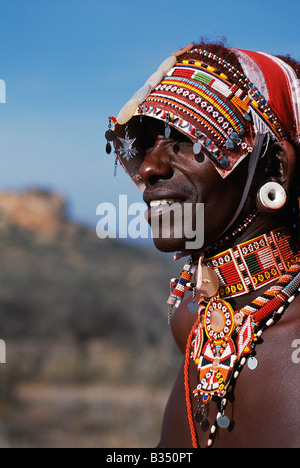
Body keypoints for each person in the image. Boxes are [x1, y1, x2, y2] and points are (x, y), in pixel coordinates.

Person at [106, 41, 300, 448]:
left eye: (186, 140)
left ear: (276, 167)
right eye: (146, 144)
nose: (149, 168)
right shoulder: (192, 324)